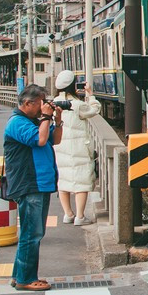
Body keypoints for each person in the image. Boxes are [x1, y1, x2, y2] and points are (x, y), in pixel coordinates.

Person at [2, 86, 60, 291]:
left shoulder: (34, 121)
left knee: (33, 233)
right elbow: (40, 139)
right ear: (27, 103)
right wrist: (46, 117)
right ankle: (26, 279)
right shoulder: (17, 123)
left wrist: (57, 119)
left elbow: (55, 139)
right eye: (41, 102)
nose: (43, 106)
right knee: (31, 234)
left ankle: (19, 276)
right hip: (29, 184)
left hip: (40, 184)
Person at [52, 70, 99, 226]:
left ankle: (68, 214)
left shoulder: (53, 103)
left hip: (60, 147)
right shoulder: (78, 105)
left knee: (63, 180)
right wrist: (90, 94)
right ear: (73, 86)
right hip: (79, 148)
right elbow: (95, 110)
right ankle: (79, 216)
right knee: (81, 181)